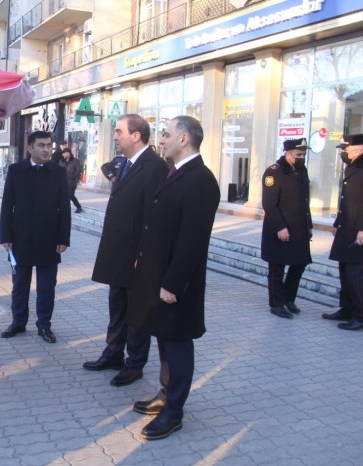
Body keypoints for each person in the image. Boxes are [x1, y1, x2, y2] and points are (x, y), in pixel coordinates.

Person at [128, 115, 220, 440]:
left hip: (176, 284)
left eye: (166, 135)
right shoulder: (176, 173)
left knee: (178, 344)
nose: (161, 140)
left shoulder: (202, 180)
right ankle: (165, 394)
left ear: (184, 139)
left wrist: (173, 283)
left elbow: (193, 240)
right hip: (159, 276)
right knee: (164, 340)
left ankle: (174, 411)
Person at [86, 114, 167, 387]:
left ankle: (135, 364)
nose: (115, 135)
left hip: (136, 255)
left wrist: (142, 255)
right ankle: (112, 354)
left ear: (136, 135)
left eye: (119, 131)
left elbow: (154, 217)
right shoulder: (126, 163)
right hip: (118, 250)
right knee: (117, 306)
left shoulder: (154, 166)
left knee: (137, 311)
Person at [0, 130, 71, 344]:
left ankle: (44, 326)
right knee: (19, 284)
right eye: (41, 145)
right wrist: (5, 235)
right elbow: (6, 205)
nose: (47, 149)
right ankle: (18, 323)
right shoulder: (15, 171)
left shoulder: (57, 173)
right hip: (20, 239)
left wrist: (63, 238)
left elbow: (64, 209)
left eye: (49, 145)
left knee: (47, 287)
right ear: (29, 147)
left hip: (49, 240)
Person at [322, 133, 363, 330]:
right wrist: (338, 222)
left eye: (345, 149)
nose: (342, 152)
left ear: (357, 148)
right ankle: (347, 309)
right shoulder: (353, 166)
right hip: (347, 228)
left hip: (359, 232)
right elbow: (346, 200)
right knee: (344, 271)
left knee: (354, 275)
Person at [261, 138, 313, 319]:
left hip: (299, 229)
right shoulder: (274, 172)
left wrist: (309, 225)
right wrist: (280, 227)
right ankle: (276, 303)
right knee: (277, 268)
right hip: (280, 229)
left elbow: (305, 201)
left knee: (299, 264)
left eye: (304, 154)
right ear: (287, 153)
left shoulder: (301, 171)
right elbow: (269, 203)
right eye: (299, 154)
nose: (302, 158)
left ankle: (288, 298)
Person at [59, 147, 84, 213]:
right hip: (63, 182)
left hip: (72, 181)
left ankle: (78, 207)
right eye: (63, 153)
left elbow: (78, 170)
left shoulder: (75, 161)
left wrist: (73, 177)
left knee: (70, 195)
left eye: (65, 153)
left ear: (69, 153)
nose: (64, 154)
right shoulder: (61, 161)